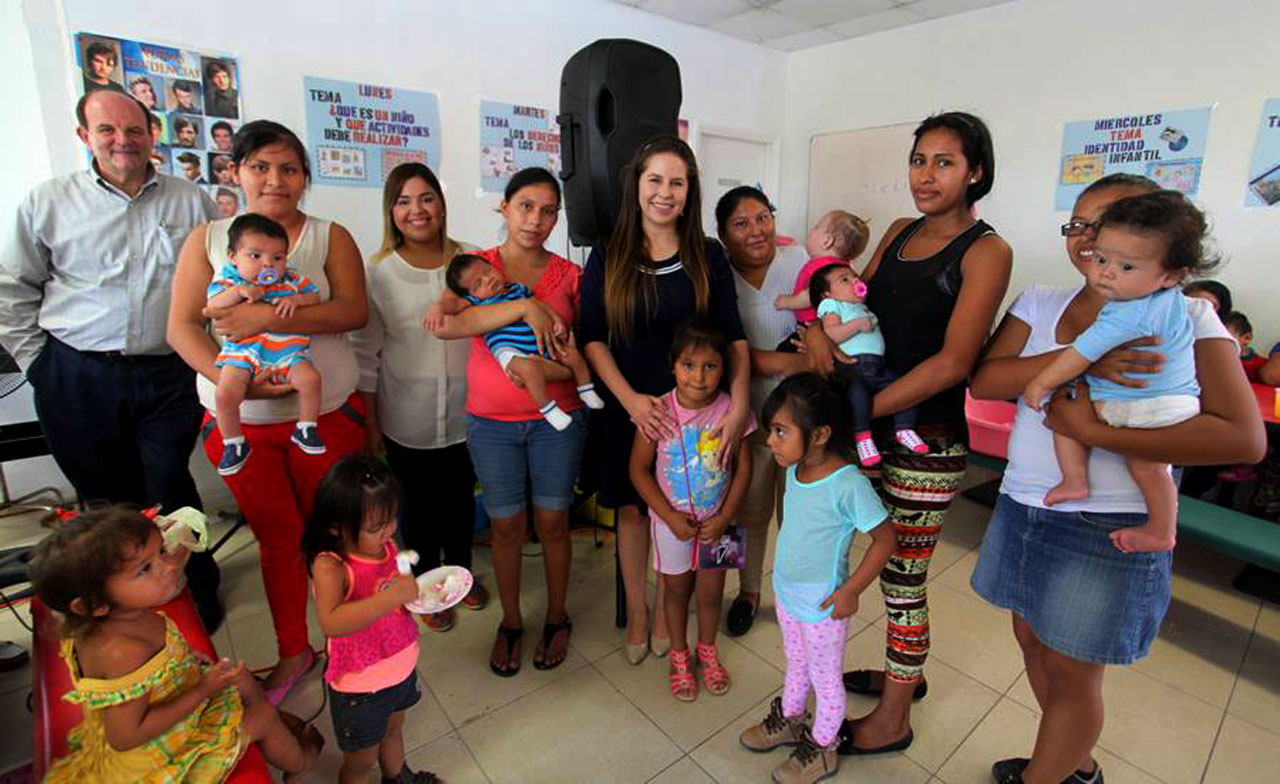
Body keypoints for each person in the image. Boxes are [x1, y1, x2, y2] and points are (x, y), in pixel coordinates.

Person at [969, 172, 1265, 784]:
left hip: (1109, 522)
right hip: (1026, 504)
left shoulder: (1188, 317)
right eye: (1080, 225)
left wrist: (1099, 434)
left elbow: (1242, 436)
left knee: (1075, 670)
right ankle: (1074, 764)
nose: (1087, 239)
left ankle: (1045, 776)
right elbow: (987, 379)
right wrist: (1090, 356)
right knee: (1033, 642)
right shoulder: (1042, 301)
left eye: (1103, 226)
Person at [803, 112, 1011, 753]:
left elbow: (955, 363)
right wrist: (817, 326)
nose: (925, 175)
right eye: (919, 160)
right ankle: (902, 674)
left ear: (975, 172)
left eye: (944, 162)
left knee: (900, 577)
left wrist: (866, 412)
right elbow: (849, 300)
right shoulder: (896, 231)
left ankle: (894, 717)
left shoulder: (987, 251)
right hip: (869, 427)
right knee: (852, 558)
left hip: (929, 439)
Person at [0, 89, 223, 632]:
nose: (122, 140)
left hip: (167, 372)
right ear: (85, 137)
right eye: (107, 130)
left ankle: (196, 592)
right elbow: (14, 288)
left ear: (152, 135)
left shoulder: (192, 202)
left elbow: (217, 285)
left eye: (134, 130)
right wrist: (39, 365)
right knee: (105, 502)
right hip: (76, 373)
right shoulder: (48, 201)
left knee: (169, 486)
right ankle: (121, 607)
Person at [168, 119, 368, 704]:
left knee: (337, 537)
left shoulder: (329, 237)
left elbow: (353, 311)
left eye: (288, 169)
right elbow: (181, 326)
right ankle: (293, 650)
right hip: (244, 428)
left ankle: (353, 642)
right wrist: (237, 385)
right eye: (260, 167)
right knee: (277, 540)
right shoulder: (208, 240)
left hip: (324, 415)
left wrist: (268, 319)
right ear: (235, 173)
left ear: (305, 177)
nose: (274, 180)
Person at [582, 136, 750, 665]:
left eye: (677, 182)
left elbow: (735, 336)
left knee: (699, 510)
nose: (665, 192)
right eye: (655, 180)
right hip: (633, 408)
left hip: (701, 412)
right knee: (635, 512)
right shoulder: (609, 253)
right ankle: (639, 611)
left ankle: (677, 615)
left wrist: (741, 404)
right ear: (637, 186)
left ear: (689, 191)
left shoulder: (709, 255)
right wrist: (631, 400)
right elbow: (591, 337)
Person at [30, 506, 322, 782]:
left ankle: (282, 730)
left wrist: (190, 664)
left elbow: (160, 660)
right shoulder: (121, 651)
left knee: (242, 678)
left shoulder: (123, 614)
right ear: (93, 605)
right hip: (154, 756)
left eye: (161, 552)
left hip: (174, 697)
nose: (168, 566)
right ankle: (299, 764)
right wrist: (203, 689)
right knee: (261, 716)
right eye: (145, 569)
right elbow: (126, 737)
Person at [428, 168, 585, 675]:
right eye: (525, 206)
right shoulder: (478, 268)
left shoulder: (569, 275)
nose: (535, 219)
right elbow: (454, 325)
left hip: (557, 416)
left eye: (546, 210)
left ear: (557, 216)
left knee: (555, 522)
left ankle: (557, 616)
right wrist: (525, 306)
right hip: (492, 422)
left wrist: (549, 368)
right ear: (504, 208)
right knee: (505, 526)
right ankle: (513, 622)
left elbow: (577, 354)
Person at [1023, 191, 1218, 553]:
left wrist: (1038, 383)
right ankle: (1160, 526)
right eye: (1102, 258)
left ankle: (1078, 481)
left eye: (1126, 267)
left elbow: (1079, 355)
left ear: (1170, 275)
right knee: (1150, 469)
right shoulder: (1169, 301)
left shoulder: (1129, 312)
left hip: (1141, 406)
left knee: (1060, 413)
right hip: (1166, 401)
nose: (1107, 272)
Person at [738, 374, 895, 784]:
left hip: (825, 604)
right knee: (796, 663)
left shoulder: (848, 484)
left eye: (780, 431)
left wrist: (852, 590)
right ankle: (791, 719)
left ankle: (824, 748)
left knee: (825, 679)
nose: (770, 440)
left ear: (821, 434)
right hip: (789, 593)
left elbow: (885, 538)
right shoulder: (794, 468)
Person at [352, 162, 486, 633]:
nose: (417, 210)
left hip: (470, 412)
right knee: (417, 509)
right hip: (404, 415)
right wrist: (370, 423)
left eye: (426, 198)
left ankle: (463, 571)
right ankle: (428, 585)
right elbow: (366, 355)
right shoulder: (378, 273)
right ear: (391, 211)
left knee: (459, 500)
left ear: (442, 204)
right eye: (404, 201)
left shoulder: (471, 260)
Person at [628, 319, 752, 701]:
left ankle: (707, 652)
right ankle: (680, 655)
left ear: (723, 369)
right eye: (689, 365)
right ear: (673, 365)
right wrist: (668, 517)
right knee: (676, 592)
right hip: (672, 525)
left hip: (722, 524)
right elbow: (637, 470)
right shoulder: (657, 411)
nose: (698, 377)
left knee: (713, 594)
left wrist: (726, 516)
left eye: (710, 366)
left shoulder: (732, 412)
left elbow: (743, 469)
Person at [302, 457, 442, 784]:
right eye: (374, 527)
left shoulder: (388, 546)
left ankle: (397, 777)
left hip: (400, 667)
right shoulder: (331, 566)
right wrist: (390, 597)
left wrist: (422, 602)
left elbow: (397, 595)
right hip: (360, 686)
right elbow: (332, 622)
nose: (387, 531)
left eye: (391, 519)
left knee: (394, 730)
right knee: (362, 762)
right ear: (336, 525)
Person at [714, 186, 812, 637]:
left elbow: (826, 320)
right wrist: (787, 362)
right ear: (723, 235)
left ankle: (796, 595)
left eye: (763, 218)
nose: (756, 231)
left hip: (804, 421)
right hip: (748, 420)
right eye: (741, 223)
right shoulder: (719, 277)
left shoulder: (799, 263)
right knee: (743, 513)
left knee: (798, 514)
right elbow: (720, 352)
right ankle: (746, 591)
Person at [208, 213, 325, 475]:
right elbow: (212, 305)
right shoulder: (229, 280)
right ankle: (234, 443)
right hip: (244, 353)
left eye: (277, 258)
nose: (267, 265)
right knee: (225, 393)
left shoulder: (291, 281)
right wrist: (238, 292)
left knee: (311, 380)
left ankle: (306, 427)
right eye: (255, 256)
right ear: (232, 256)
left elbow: (314, 296)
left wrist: (297, 301)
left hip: (288, 351)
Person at [431, 252, 603, 430]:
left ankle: (586, 389)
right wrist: (438, 307)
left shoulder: (517, 288)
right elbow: (453, 305)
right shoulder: (474, 301)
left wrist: (556, 320)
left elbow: (538, 304)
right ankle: (548, 408)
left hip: (544, 344)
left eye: (487, 271)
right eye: (478, 283)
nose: (488, 280)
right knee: (529, 370)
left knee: (573, 355)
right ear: (470, 293)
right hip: (510, 351)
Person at [808, 264, 927, 465]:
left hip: (877, 367)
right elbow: (830, 335)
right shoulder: (832, 305)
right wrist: (856, 325)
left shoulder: (863, 308)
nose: (855, 281)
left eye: (855, 277)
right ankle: (862, 436)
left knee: (907, 388)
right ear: (826, 294)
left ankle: (904, 428)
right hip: (853, 366)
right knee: (857, 394)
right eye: (844, 280)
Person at [772, 209, 871, 351]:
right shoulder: (844, 267)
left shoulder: (823, 268)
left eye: (817, 226)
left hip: (817, 326)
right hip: (835, 325)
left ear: (827, 241)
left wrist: (788, 302)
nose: (812, 229)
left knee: (785, 349)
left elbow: (811, 295)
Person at [1224, 311, 1266, 381]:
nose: (1218, 343)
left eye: (1226, 338)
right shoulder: (1211, 361)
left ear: (1247, 338)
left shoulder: (1261, 366)